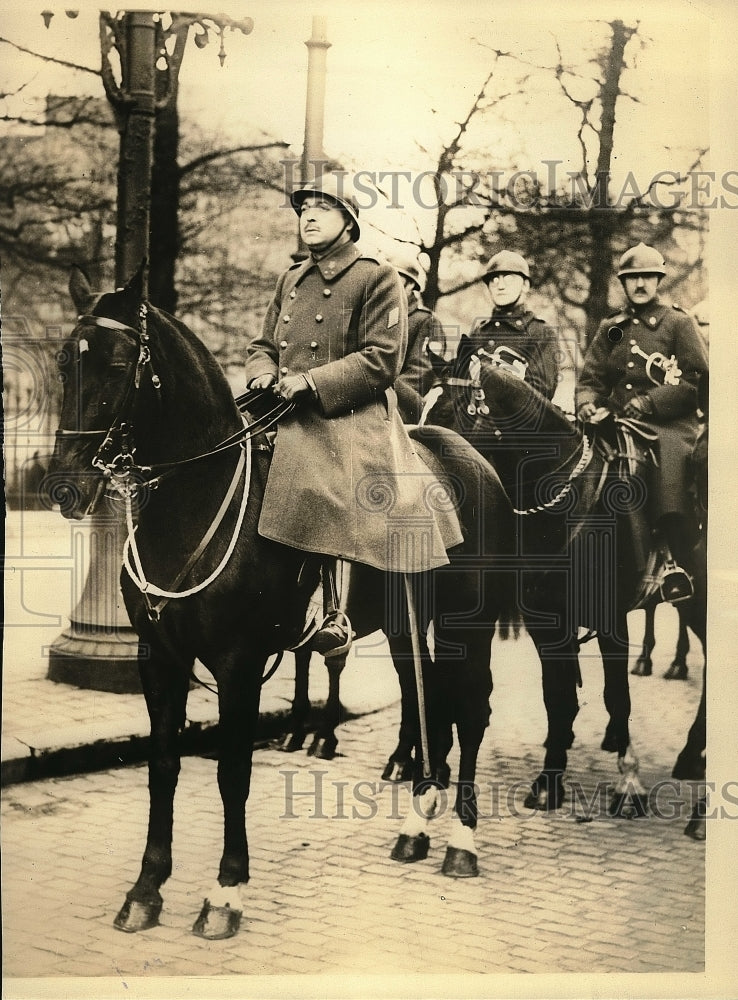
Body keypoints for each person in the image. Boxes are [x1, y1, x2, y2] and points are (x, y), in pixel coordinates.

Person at [244, 173, 463, 654]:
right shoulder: (291, 279)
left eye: (323, 207)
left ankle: (335, 609)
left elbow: (382, 358)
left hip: (349, 410)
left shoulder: (375, 275)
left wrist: (312, 382)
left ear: (348, 221)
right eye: (304, 209)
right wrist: (261, 371)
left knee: (326, 472)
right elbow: (261, 344)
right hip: (280, 403)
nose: (310, 216)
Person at [576, 242, 709, 602]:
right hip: (618, 424)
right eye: (632, 277)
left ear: (658, 280)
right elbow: (592, 379)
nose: (639, 284)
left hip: (668, 426)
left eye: (647, 277)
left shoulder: (679, 323)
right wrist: (588, 405)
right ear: (623, 283)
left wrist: (649, 401)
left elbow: (695, 380)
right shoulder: (613, 327)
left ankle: (668, 560)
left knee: (664, 473)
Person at [458, 250, 560, 400]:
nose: (500, 286)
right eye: (494, 280)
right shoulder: (479, 332)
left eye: (509, 278)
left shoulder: (541, 332)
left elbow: (541, 393)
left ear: (525, 285)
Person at [384, 244, 446, 423]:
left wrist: (381, 387)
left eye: (394, 278)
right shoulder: (375, 316)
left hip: (404, 404)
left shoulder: (425, 321)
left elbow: (422, 372)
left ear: (410, 284)